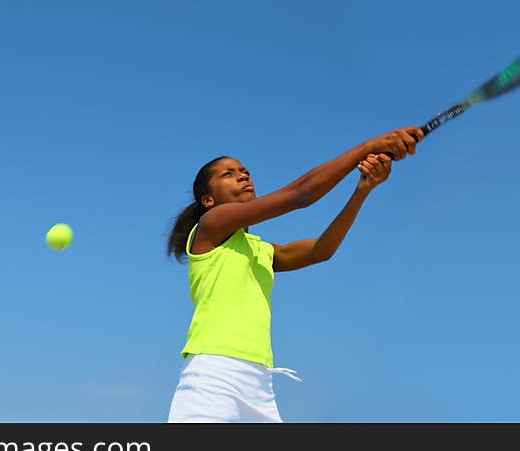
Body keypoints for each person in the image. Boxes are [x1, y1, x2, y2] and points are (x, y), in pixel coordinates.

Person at [166, 126, 424, 422]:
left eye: (244, 170)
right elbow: (300, 195)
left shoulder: (260, 250)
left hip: (260, 382)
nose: (242, 174)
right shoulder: (211, 224)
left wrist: (361, 192)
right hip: (214, 375)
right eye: (228, 173)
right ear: (208, 200)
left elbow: (320, 251)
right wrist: (371, 146)